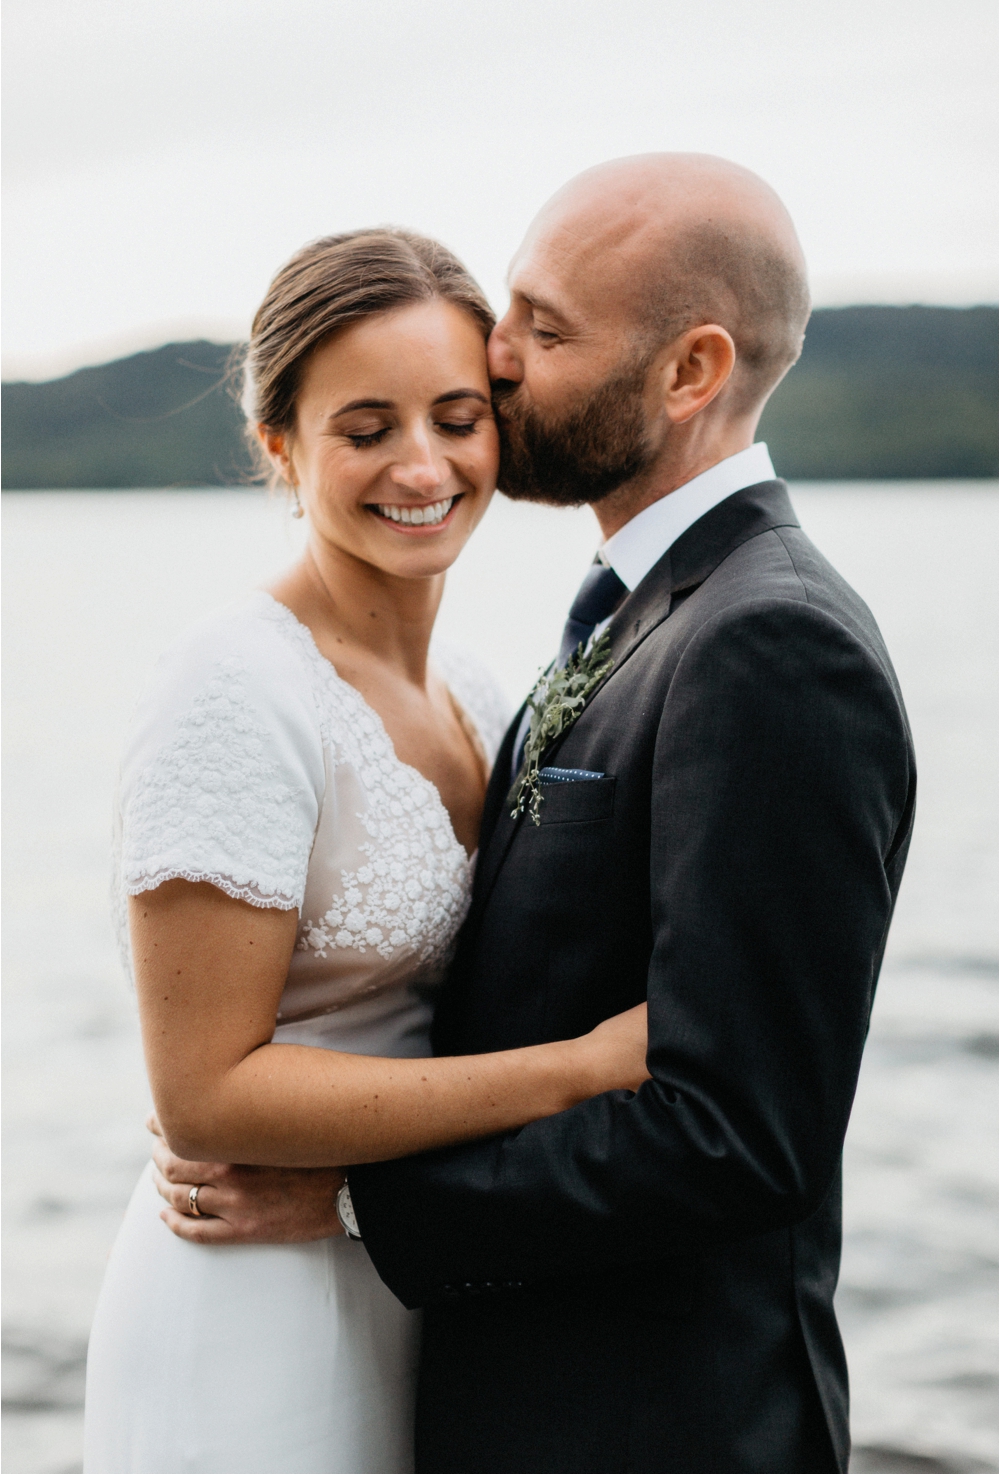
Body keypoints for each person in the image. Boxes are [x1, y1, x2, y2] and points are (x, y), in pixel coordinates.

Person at [153, 154, 917, 1475]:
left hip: (656, 1425)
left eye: (544, 331)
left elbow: (736, 1132)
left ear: (689, 373)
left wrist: (349, 1201)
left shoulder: (771, 639)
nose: (500, 360)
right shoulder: (639, 609)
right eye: (512, 311)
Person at [82, 227, 651, 1475]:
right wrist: (579, 1069)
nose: (422, 464)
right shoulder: (234, 688)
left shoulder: (481, 688)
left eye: (457, 417)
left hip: (409, 1266)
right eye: (366, 427)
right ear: (279, 445)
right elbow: (206, 1091)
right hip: (254, 1307)